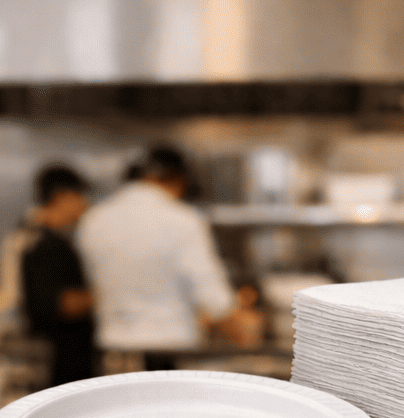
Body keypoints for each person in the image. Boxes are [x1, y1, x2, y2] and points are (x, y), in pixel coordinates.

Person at [76, 145, 262, 369]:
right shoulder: (182, 219)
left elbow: (92, 283)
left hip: (112, 353)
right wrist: (243, 333)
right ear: (177, 179)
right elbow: (208, 290)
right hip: (169, 350)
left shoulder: (93, 220)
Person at [20, 164, 95, 388]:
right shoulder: (47, 246)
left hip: (63, 358)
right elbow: (63, 304)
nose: (85, 203)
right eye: (80, 195)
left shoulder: (45, 239)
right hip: (60, 362)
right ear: (61, 196)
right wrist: (111, 296)